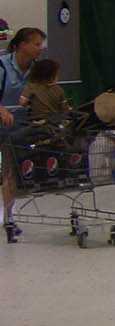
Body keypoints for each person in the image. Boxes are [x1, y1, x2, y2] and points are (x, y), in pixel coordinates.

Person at [2, 27, 49, 232]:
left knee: (11, 171)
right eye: (36, 44)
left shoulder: (36, 71)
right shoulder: (2, 66)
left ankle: (9, 218)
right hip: (2, 122)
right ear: (22, 45)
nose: (41, 49)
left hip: (18, 128)